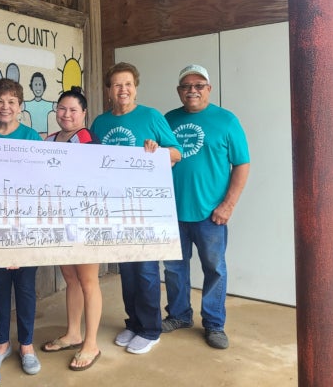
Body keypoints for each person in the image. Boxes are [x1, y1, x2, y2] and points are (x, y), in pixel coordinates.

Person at [90, 62, 182, 355]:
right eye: (117, 84)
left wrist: (158, 151)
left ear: (136, 87)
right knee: (126, 271)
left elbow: (177, 153)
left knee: (145, 270)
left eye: (128, 84)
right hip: (115, 209)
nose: (123, 90)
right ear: (109, 90)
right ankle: (133, 322)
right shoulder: (100, 123)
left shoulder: (151, 116)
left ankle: (151, 329)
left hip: (146, 207)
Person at [162, 64, 250, 349]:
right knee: (174, 270)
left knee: (215, 269)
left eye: (199, 85)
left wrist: (229, 205)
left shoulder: (226, 121)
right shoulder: (168, 119)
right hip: (173, 211)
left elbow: (242, 164)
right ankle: (178, 315)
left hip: (211, 214)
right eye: (186, 86)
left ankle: (214, 324)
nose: (192, 90)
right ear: (179, 91)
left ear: (209, 89)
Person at [0, 79, 42, 375]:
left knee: (26, 287)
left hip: (25, 225)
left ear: (20, 107)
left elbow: (41, 180)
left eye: (12, 102)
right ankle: (2, 343)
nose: (6, 107)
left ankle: (27, 345)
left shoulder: (31, 136)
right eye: (0, 101)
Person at [40, 86, 103, 372]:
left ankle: (91, 343)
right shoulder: (49, 138)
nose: (66, 114)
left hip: (84, 219)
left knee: (88, 279)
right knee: (70, 277)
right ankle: (73, 333)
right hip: (58, 218)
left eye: (73, 110)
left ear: (83, 113)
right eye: (62, 108)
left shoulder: (87, 139)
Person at [22, 72, 56, 137]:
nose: (38, 87)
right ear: (31, 87)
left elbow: (58, 106)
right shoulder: (28, 104)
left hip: (44, 135)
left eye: (40, 84)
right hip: (32, 135)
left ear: (44, 86)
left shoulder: (48, 104)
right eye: (35, 84)